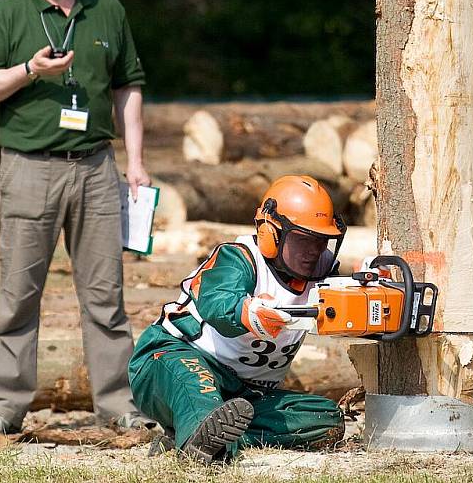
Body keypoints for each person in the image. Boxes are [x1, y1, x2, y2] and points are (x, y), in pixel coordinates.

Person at [0, 0, 153, 433]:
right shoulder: (7, 13)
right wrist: (28, 70)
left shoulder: (107, 9)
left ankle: (119, 408)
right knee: (19, 296)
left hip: (96, 168)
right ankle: (4, 410)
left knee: (105, 298)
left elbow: (128, 87)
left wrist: (134, 164)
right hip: (28, 169)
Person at [129, 175, 348, 463]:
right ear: (272, 233)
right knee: (196, 386)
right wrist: (247, 311)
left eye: (321, 241)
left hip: (245, 392)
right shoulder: (238, 258)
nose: (313, 251)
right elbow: (217, 300)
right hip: (170, 359)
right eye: (303, 240)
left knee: (324, 419)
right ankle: (202, 438)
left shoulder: (325, 274)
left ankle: (207, 435)